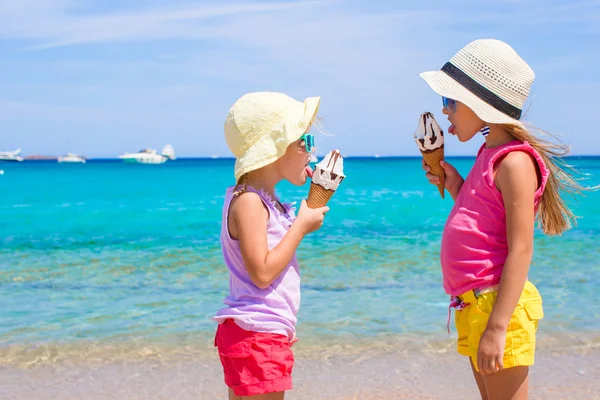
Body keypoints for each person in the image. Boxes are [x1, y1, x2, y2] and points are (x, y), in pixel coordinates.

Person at [420, 39, 583, 399]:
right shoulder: (489, 153)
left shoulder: (514, 162)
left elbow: (521, 249)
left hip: (498, 306)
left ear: (482, 103)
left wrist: (498, 327)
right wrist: (458, 185)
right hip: (473, 304)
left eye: (450, 101)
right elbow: (483, 220)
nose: (444, 111)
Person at [213, 92, 329, 399]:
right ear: (277, 147)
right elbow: (262, 273)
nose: (312, 153)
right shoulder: (250, 202)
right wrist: (301, 227)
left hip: (261, 331)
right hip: (256, 332)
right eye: (305, 142)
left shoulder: (266, 201)